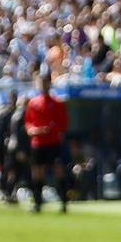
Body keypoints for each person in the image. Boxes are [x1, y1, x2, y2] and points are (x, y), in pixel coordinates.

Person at [24, 73, 69, 214]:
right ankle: (37, 203)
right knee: (38, 172)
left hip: (53, 142)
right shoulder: (33, 103)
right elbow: (29, 123)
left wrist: (52, 129)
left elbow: (64, 124)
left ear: (50, 84)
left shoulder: (57, 103)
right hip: (38, 143)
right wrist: (34, 130)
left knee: (58, 170)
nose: (43, 86)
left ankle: (64, 202)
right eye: (41, 83)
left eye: (45, 83)